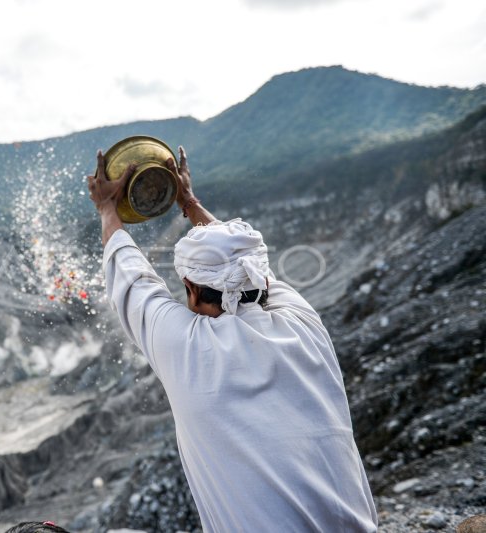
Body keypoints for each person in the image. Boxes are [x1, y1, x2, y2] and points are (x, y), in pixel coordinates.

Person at [87, 147, 378, 532]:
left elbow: (131, 277)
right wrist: (189, 201)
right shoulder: (303, 320)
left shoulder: (187, 347)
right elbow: (249, 266)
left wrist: (108, 207)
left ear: (190, 288)